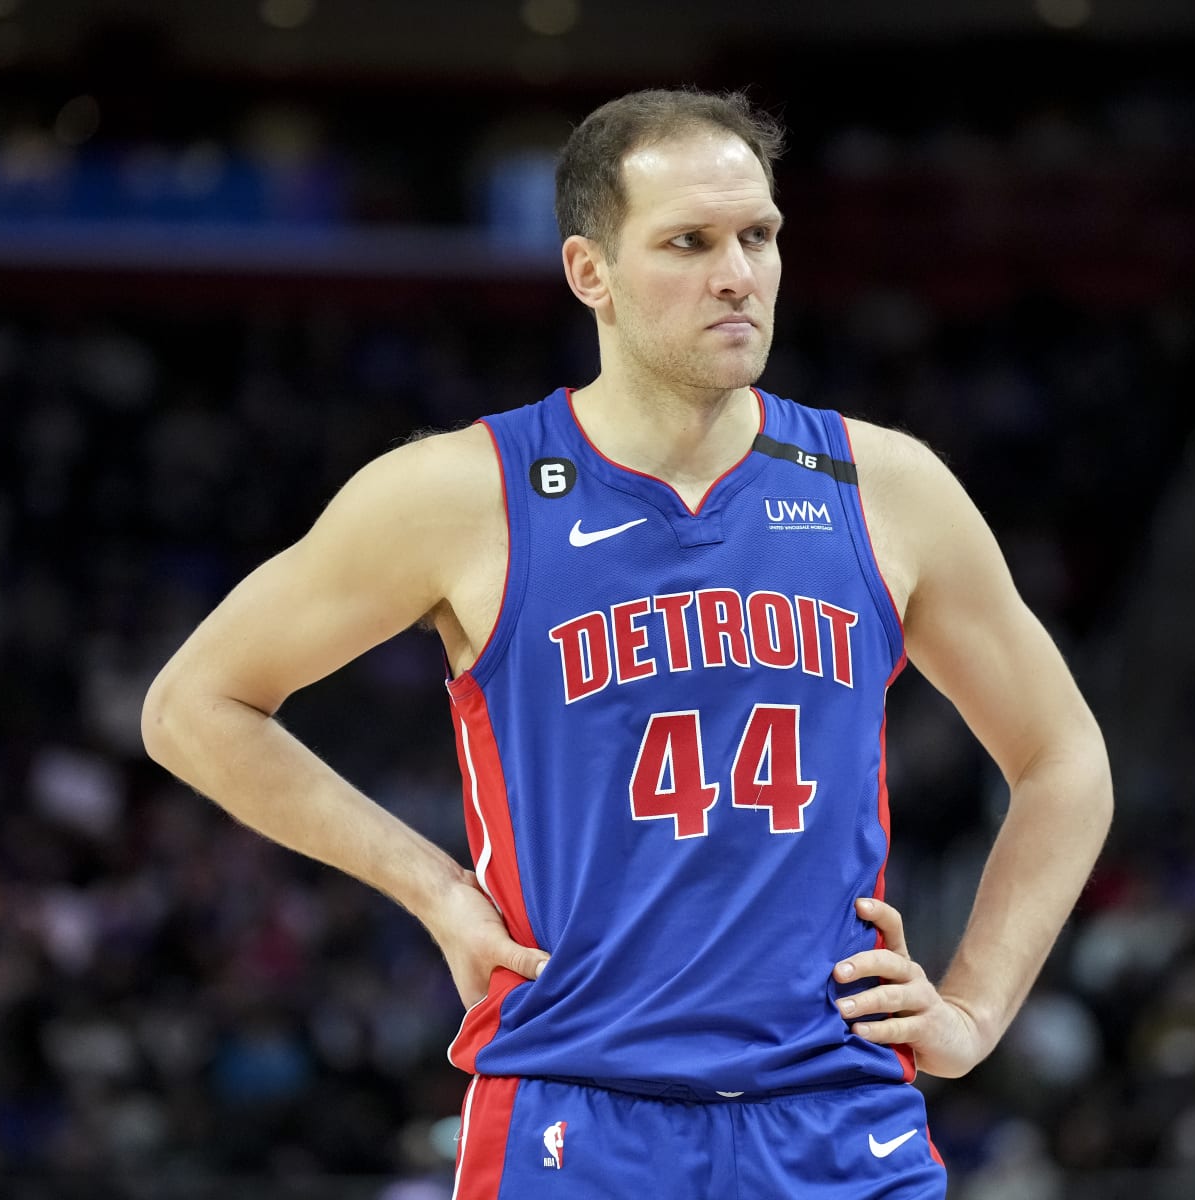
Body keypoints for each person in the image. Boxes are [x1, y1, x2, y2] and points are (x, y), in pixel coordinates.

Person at [141, 88, 1112, 1199]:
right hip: (577, 1110)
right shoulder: (462, 494)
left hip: (840, 1119)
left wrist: (977, 1004)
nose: (737, 274)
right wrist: (436, 889)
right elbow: (194, 707)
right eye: (688, 243)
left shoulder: (886, 488)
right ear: (588, 272)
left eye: (759, 236)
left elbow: (1064, 760)